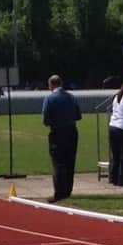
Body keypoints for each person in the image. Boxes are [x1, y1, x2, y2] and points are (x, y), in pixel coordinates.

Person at [42, 75, 82, 203]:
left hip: (57, 132)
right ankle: (67, 191)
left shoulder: (49, 99)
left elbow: (46, 120)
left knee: (58, 163)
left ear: (51, 85)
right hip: (71, 131)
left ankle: (59, 192)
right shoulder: (71, 97)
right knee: (70, 162)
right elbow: (78, 115)